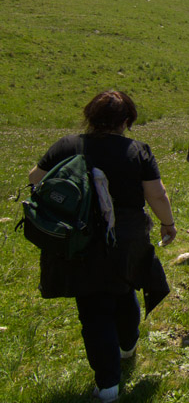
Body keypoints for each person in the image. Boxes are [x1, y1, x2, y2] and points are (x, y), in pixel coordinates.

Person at [27, 91, 175, 402]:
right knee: (124, 291)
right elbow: (157, 195)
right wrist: (167, 223)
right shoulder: (137, 151)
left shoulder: (67, 146)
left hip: (79, 240)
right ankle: (128, 344)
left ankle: (107, 385)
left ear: (90, 117)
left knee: (93, 310)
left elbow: (35, 179)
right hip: (126, 239)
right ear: (126, 121)